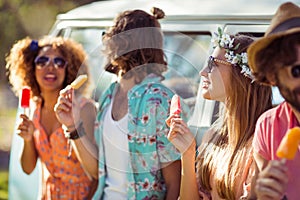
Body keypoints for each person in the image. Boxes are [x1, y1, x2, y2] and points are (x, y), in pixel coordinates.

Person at [54, 7, 187, 200]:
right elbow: (97, 172)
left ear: (122, 43)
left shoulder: (159, 101)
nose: (104, 44)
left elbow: (175, 183)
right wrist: (72, 126)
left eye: (108, 36)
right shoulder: (109, 96)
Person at [166, 29, 273, 199]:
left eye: (212, 64)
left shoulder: (263, 143)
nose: (202, 72)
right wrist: (187, 153)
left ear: (241, 75)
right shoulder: (213, 135)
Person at [6, 36, 98, 199]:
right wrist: (28, 140)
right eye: (42, 61)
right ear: (30, 68)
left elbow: (96, 173)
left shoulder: (84, 109)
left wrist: (73, 126)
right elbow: (28, 169)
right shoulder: (33, 109)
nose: (50, 67)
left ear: (69, 69)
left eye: (59, 62)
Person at [246, 2, 300, 200]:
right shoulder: (269, 126)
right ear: (271, 77)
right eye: (297, 71)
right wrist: (263, 195)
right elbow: (255, 196)